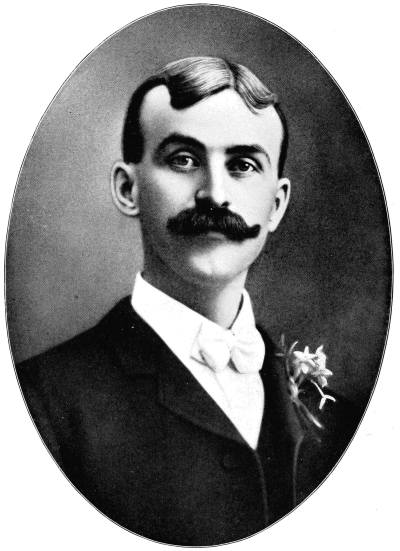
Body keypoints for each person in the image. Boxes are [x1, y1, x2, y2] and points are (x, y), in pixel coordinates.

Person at [17, 57, 358, 545]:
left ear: (277, 204)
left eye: (242, 166)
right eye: (183, 160)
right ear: (128, 189)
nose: (214, 195)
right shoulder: (40, 407)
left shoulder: (345, 421)